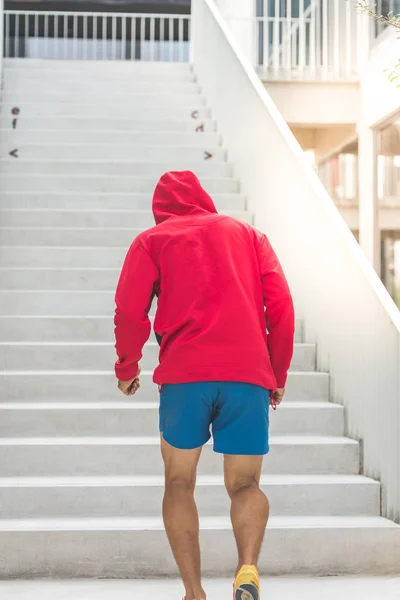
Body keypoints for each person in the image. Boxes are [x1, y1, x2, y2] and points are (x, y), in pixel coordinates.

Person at [114, 171, 295, 600]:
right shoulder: (249, 236)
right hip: (247, 377)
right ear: (205, 199)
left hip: (184, 379)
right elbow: (282, 303)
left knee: (179, 482)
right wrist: (277, 371)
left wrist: (127, 367)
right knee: (246, 485)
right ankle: (247, 568)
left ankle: (194, 592)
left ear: (160, 210)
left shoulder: (152, 241)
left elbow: (129, 309)